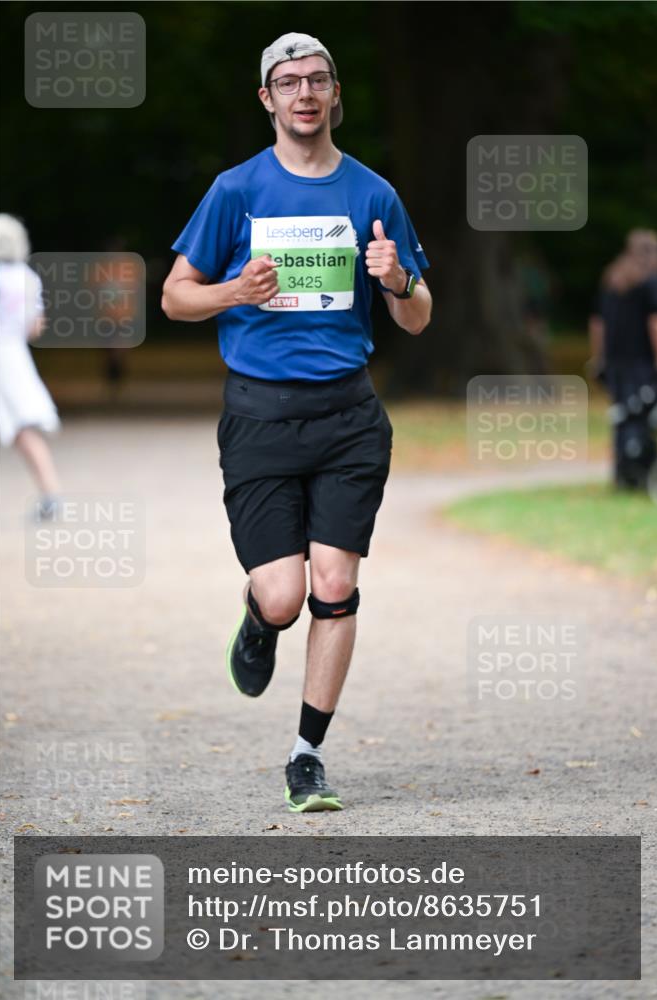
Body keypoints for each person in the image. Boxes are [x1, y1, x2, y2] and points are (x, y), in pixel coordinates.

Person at [162, 32, 432, 812]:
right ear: (267, 99)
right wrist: (232, 293)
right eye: (288, 82)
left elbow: (416, 319)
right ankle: (258, 620)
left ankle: (306, 754)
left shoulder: (372, 194)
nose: (304, 93)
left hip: (348, 415)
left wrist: (399, 280)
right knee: (283, 597)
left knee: (335, 582)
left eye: (317, 80)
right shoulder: (235, 191)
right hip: (258, 417)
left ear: (335, 93)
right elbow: (177, 295)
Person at [0, 213, 62, 519]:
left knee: (20, 429)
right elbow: (35, 327)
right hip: (15, 356)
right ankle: (51, 494)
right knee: (25, 429)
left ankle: (51, 497)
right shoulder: (28, 277)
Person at [588, 229, 657, 489]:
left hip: (615, 363)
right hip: (641, 362)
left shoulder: (612, 280)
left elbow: (597, 324)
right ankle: (638, 474)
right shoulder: (650, 282)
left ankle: (622, 473)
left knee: (620, 417)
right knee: (639, 416)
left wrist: (599, 358)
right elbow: (656, 323)